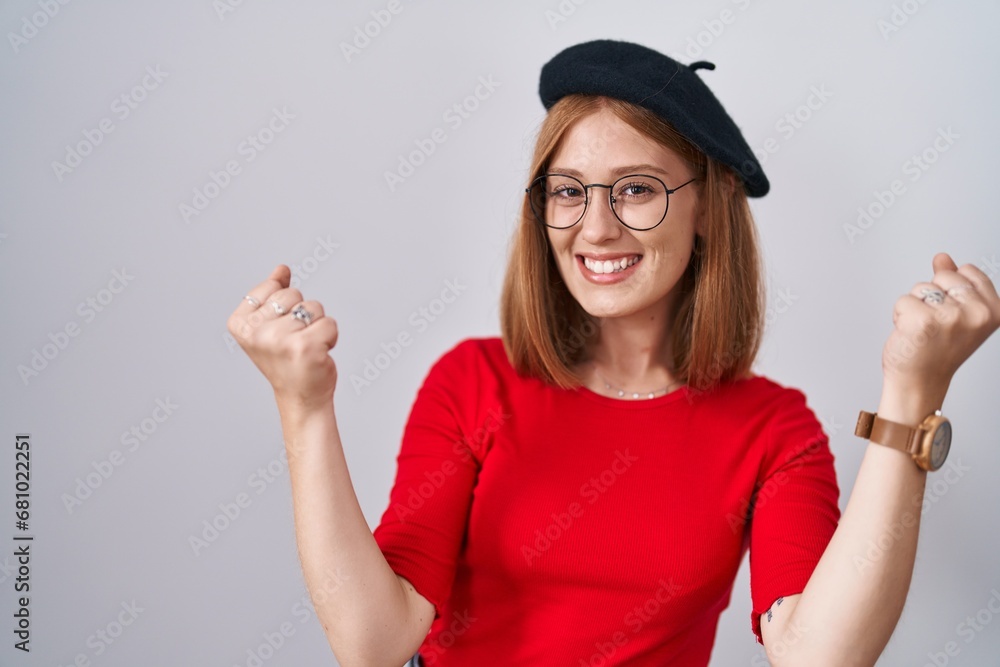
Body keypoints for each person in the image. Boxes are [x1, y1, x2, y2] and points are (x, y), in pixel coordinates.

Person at [226, 39, 1000, 667]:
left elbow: (822, 655)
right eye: (568, 191)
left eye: (634, 189)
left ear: (705, 209)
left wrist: (913, 392)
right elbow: (374, 641)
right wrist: (303, 406)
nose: (594, 229)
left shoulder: (774, 428)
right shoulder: (471, 381)